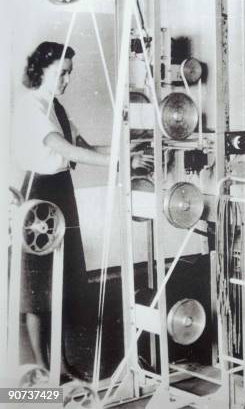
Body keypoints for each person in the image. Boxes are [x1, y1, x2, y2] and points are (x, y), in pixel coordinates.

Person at [12, 41, 152, 379]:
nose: (67, 80)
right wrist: (121, 162)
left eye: (70, 73)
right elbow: (63, 150)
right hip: (39, 199)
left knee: (62, 282)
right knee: (39, 288)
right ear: (41, 70)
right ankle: (43, 371)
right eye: (62, 73)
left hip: (62, 192)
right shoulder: (30, 107)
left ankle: (61, 364)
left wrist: (128, 148)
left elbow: (84, 148)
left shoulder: (56, 106)